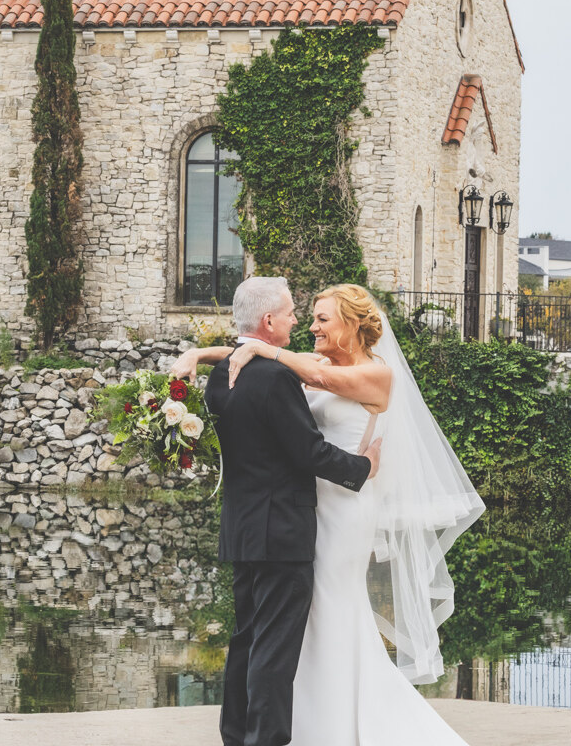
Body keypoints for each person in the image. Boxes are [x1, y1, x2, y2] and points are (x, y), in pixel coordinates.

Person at [173, 283, 486, 745]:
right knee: (292, 625)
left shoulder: (375, 376)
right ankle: (305, 724)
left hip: (344, 507)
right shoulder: (310, 362)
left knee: (330, 613)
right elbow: (269, 358)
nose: (311, 325)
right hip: (302, 511)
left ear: (353, 325)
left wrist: (255, 349)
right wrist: (202, 353)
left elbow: (301, 373)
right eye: (309, 317)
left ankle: (342, 724)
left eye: (322, 318)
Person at [194, 276, 378, 746]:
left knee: (246, 641)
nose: (297, 321)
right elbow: (309, 453)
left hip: (242, 527)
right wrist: (362, 466)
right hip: (283, 532)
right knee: (274, 650)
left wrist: (197, 354)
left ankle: (235, 736)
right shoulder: (276, 377)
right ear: (270, 320)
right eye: (293, 312)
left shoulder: (222, 377)